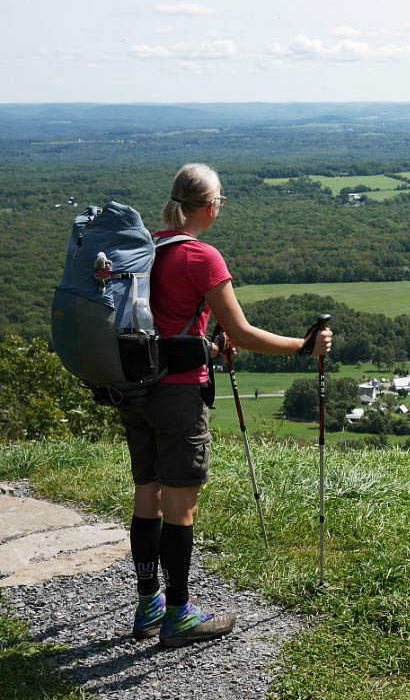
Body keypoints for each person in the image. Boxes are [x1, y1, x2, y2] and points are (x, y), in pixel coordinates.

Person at [119, 163, 332, 648]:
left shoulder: (146, 247)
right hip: (177, 395)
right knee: (181, 504)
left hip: (136, 388)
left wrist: (206, 348)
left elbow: (163, 323)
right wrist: (303, 348)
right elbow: (243, 332)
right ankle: (178, 614)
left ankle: (148, 603)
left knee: (146, 494)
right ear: (210, 206)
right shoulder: (201, 256)